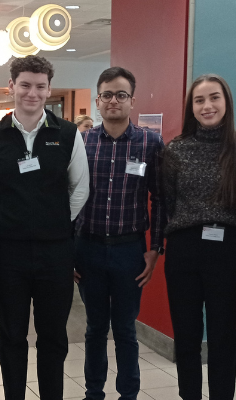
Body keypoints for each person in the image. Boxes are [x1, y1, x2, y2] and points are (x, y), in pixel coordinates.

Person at [0, 55, 89, 399]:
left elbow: (80, 188)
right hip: (8, 253)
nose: (32, 93)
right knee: (11, 335)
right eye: (25, 85)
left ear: (49, 88)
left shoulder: (67, 134)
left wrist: (51, 222)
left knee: (53, 335)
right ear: (11, 87)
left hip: (55, 252)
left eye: (40, 86)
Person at [162, 74, 236, 400]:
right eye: (199, 100)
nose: (207, 106)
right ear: (191, 107)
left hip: (227, 254)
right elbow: (167, 203)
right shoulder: (176, 149)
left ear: (226, 102)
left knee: (223, 337)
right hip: (183, 251)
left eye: (214, 98)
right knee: (187, 335)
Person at [73, 67, 166, 400]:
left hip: (130, 251)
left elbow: (161, 198)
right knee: (95, 328)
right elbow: (68, 198)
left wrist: (155, 248)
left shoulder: (150, 142)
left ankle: (129, 394)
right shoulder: (80, 142)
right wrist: (71, 250)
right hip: (89, 249)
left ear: (132, 101)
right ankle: (93, 392)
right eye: (107, 95)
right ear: (98, 101)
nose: (114, 100)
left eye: (121, 95)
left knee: (126, 329)